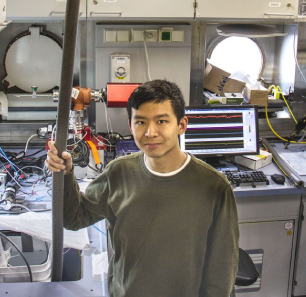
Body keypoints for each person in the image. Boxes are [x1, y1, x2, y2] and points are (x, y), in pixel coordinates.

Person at [46, 79, 239, 297]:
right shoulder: (118, 173)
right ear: (130, 126)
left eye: (162, 121)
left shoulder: (213, 187)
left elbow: (222, 268)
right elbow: (73, 218)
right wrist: (65, 174)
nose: (150, 132)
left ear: (181, 125)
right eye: (140, 122)